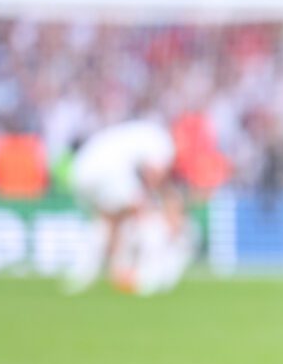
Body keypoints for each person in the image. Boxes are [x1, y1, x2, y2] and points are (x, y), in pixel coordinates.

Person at [65, 119, 192, 295]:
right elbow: (155, 174)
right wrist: (165, 205)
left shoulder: (142, 132)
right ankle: (149, 274)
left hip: (80, 171)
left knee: (109, 219)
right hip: (108, 170)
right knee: (142, 213)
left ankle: (87, 272)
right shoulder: (164, 143)